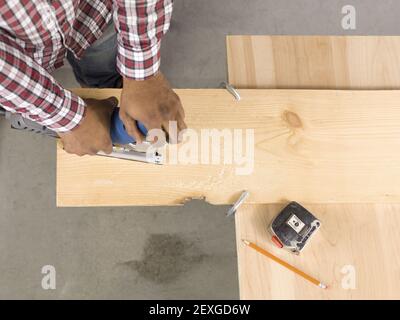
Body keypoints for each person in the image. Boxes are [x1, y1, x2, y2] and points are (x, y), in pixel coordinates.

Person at [0, 0, 186, 156]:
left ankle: (107, 86)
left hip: (91, 13)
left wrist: (142, 77)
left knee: (102, 66)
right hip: (17, 59)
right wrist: (64, 117)